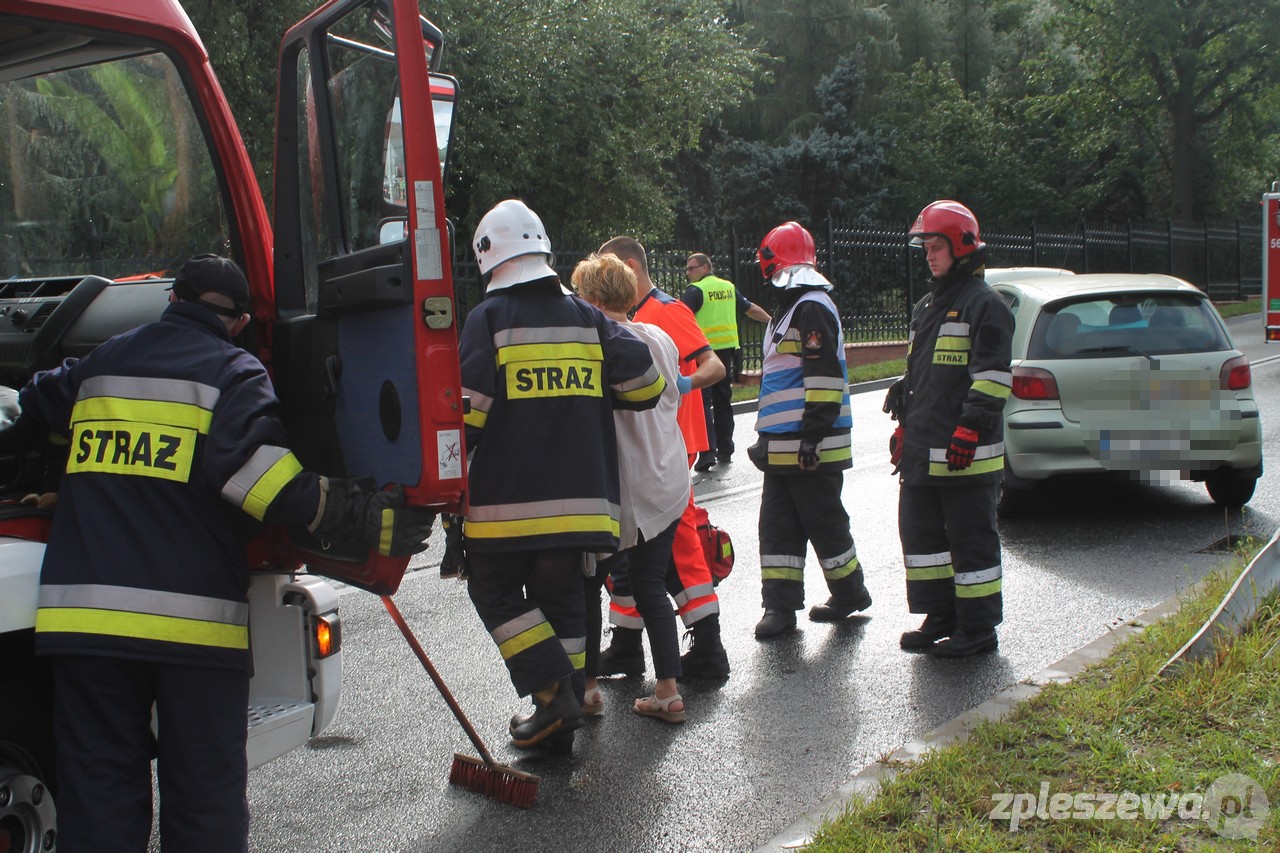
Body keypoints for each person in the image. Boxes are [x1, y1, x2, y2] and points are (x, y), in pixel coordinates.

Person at [4, 254, 433, 853]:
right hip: (193, 631)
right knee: (202, 799)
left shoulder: (104, 361)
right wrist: (353, 509)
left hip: (86, 622)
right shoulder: (234, 372)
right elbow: (264, 484)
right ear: (236, 321)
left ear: (173, 300)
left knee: (99, 791)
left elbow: (34, 405)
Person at [458, 201, 666, 753]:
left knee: (494, 587)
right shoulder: (586, 316)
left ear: (488, 259)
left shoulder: (489, 320)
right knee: (566, 599)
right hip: (585, 506)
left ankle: (552, 694)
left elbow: (468, 415)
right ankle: (561, 713)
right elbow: (646, 386)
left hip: (505, 507)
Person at [595, 236, 730, 680]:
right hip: (647, 446)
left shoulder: (667, 311)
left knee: (682, 547)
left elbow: (713, 365)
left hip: (666, 447)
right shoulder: (637, 318)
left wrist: (682, 385)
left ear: (629, 266)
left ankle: (708, 645)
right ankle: (628, 642)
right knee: (635, 553)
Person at [885, 200, 1013, 658]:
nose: (929, 255)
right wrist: (905, 421)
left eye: (936, 246)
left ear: (962, 247)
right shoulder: (928, 306)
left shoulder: (985, 306)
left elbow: (993, 378)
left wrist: (969, 430)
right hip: (924, 450)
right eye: (926, 247)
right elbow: (924, 377)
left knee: (970, 541)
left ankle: (977, 628)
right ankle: (940, 615)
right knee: (922, 540)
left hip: (964, 455)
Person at [574, 253, 689, 724]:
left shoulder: (600, 342)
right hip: (667, 478)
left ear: (597, 300)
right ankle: (667, 692)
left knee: (588, 585)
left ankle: (586, 689)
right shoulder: (659, 335)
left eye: (582, 297)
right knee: (650, 587)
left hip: (621, 486)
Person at [749, 222, 872, 639]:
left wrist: (811, 438)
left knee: (823, 522)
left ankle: (850, 592)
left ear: (774, 262)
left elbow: (824, 376)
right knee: (778, 525)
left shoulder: (811, 306)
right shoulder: (791, 307)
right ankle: (780, 608)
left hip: (809, 443)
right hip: (785, 444)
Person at [681, 253, 771, 472]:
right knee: (723, 400)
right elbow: (750, 309)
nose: (687, 273)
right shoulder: (728, 287)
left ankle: (707, 452)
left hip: (704, 354)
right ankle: (726, 448)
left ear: (704, 268)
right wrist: (772, 322)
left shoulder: (696, 291)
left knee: (703, 403)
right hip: (726, 352)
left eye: (691, 269)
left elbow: (681, 315)